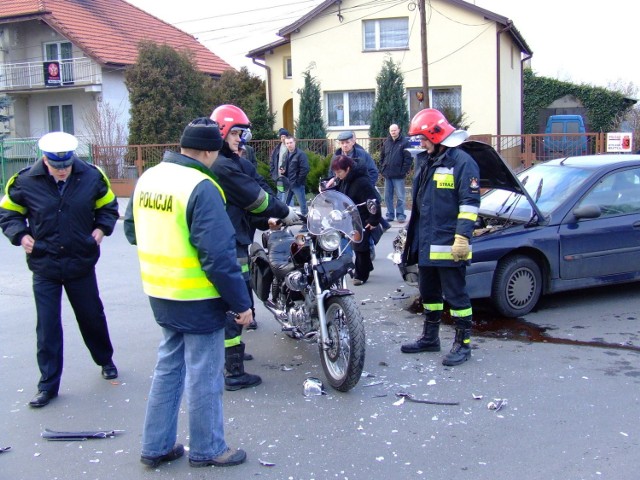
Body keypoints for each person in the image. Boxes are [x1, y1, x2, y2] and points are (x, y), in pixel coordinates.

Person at [124, 117, 250, 468]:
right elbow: (219, 256)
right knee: (205, 374)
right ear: (209, 151)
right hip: (196, 296)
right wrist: (241, 304)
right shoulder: (201, 186)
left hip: (160, 291)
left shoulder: (149, 177)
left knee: (169, 367)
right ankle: (208, 448)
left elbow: (132, 230)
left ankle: (156, 445)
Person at [0, 131, 119, 408]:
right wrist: (21, 235)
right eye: (57, 167)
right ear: (45, 159)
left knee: (91, 316)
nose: (63, 172)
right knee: (48, 327)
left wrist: (101, 229)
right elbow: (8, 213)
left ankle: (105, 360)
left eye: (67, 166)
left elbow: (109, 207)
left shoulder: (92, 175)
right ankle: (47, 385)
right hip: (45, 264)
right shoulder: (24, 180)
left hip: (80, 261)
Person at [210, 105, 299, 390]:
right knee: (236, 303)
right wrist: (283, 212)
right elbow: (254, 197)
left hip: (237, 236)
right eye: (235, 132)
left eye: (241, 133)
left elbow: (253, 197)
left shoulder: (234, 162)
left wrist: (269, 218)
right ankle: (233, 371)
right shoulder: (222, 166)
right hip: (229, 241)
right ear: (222, 132)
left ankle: (231, 352)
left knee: (238, 299)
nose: (240, 138)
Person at [400, 108, 480, 366]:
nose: (420, 143)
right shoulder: (426, 159)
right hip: (426, 243)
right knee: (429, 293)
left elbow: (469, 204)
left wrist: (462, 239)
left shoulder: (463, 163)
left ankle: (463, 344)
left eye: (423, 138)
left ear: (436, 135)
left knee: (456, 296)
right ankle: (430, 338)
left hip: (450, 243)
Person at [330, 155, 381, 285]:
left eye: (339, 172)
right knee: (356, 243)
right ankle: (367, 266)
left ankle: (361, 275)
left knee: (360, 246)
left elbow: (373, 200)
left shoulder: (361, 182)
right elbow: (341, 192)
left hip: (363, 217)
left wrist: (374, 219)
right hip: (351, 216)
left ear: (348, 169)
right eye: (335, 173)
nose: (337, 175)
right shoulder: (345, 179)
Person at [332, 131, 391, 233]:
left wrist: (366, 186)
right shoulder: (336, 156)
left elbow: (373, 171)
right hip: (346, 195)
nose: (344, 145)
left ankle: (379, 226)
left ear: (353, 142)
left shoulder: (362, 154)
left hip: (362, 192)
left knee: (366, 217)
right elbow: (332, 175)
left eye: (347, 142)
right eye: (342, 143)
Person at [380, 124, 412, 223]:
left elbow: (408, 159)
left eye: (395, 130)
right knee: (387, 197)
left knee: (400, 197)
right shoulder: (386, 142)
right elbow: (382, 156)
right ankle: (390, 214)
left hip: (399, 175)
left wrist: (403, 171)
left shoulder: (405, 142)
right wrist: (382, 169)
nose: (393, 132)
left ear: (399, 130)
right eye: (391, 130)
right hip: (387, 175)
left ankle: (400, 215)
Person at [282, 136, 310, 219]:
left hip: (297, 184)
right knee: (284, 205)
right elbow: (285, 168)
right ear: (285, 144)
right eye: (287, 143)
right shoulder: (286, 154)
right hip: (288, 183)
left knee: (303, 205)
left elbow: (305, 169)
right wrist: (283, 171)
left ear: (294, 142)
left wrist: (298, 181)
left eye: (291, 142)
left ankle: (306, 224)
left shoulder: (300, 154)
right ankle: (284, 221)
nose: (289, 145)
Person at [270, 128, 290, 201]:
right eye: (282, 137)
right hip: (279, 176)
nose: (283, 138)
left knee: (288, 195)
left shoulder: (290, 148)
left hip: (288, 176)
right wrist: (272, 172)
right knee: (279, 193)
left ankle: (289, 210)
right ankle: (280, 210)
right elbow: (272, 161)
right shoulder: (276, 149)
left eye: (284, 136)